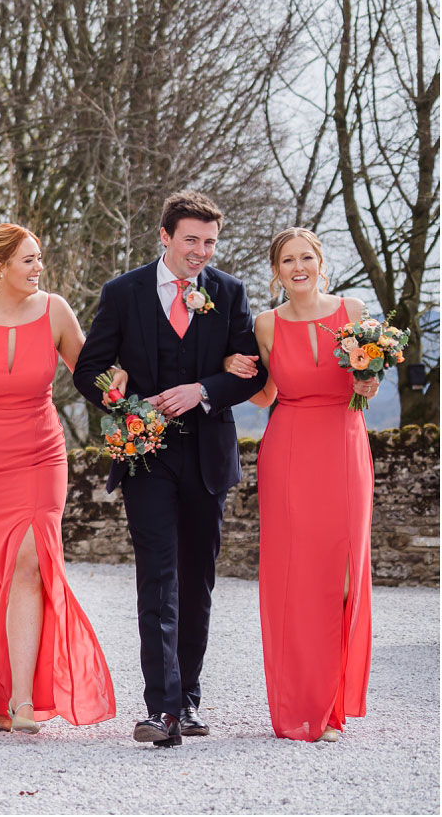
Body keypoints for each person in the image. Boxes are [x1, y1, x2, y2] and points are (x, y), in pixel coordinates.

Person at [73, 191, 266, 749]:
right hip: (146, 455)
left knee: (197, 581)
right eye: (191, 240)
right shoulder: (123, 293)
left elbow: (251, 374)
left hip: (208, 454)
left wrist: (203, 388)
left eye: (209, 242)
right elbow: (89, 369)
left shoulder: (228, 293)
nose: (201, 252)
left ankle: (189, 698)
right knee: (156, 576)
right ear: (165, 236)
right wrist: (127, 403)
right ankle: (160, 709)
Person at [0, 226, 116, 734]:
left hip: (40, 449)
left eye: (39, 259)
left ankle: (22, 701)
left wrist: (124, 389)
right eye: (28, 260)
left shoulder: (56, 310)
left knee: (32, 561)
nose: (39, 268)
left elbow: (92, 373)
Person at [231, 228, 375, 742]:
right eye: (287, 259)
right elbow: (265, 396)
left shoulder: (354, 311)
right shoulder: (265, 325)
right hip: (288, 452)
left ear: (320, 262)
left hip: (344, 444)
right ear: (276, 270)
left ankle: (332, 703)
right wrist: (234, 369)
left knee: (342, 577)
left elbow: (366, 383)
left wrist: (368, 382)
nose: (298, 266)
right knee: (296, 580)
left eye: (306, 257)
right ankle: (302, 707)